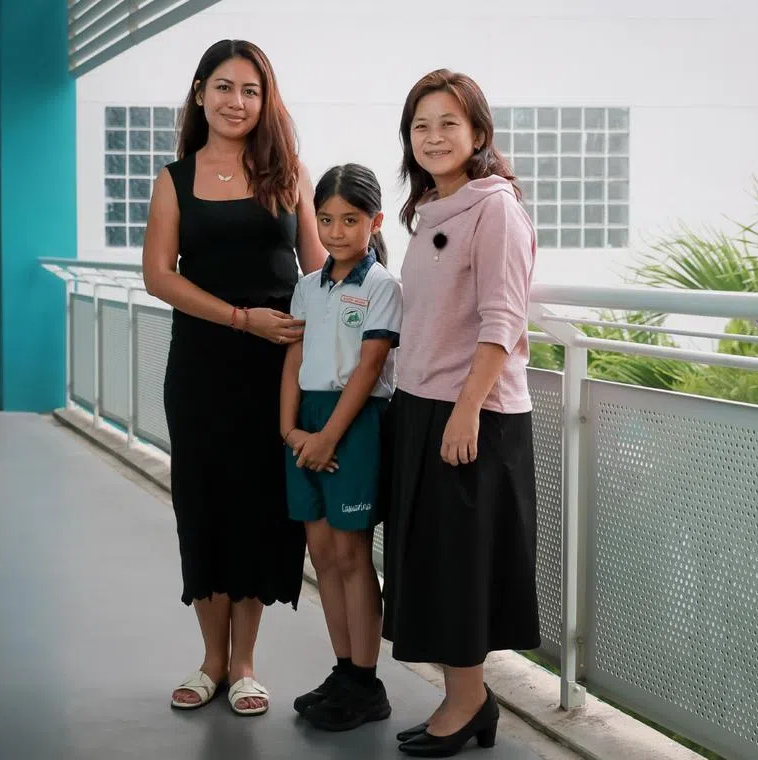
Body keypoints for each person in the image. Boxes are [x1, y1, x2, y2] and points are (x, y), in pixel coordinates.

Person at [141, 39, 327, 717]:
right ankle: (209, 661)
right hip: (202, 366)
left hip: (279, 369)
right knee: (205, 505)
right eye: (224, 87)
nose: (237, 102)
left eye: (251, 90)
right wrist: (242, 319)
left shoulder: (289, 174)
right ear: (199, 94)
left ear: (264, 100)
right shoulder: (175, 178)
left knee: (259, 510)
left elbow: (317, 267)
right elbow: (159, 276)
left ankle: (244, 662)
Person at [381, 69, 541, 757]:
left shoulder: (495, 208)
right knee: (433, 565)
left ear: (478, 132)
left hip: (471, 412)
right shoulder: (429, 212)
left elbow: (503, 317)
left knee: (462, 570)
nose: (435, 136)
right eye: (422, 125)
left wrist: (467, 409)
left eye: (449, 122)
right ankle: (462, 697)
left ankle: (471, 701)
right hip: (420, 407)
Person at [279, 164, 402, 732]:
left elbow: (371, 365)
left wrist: (329, 437)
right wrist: (291, 431)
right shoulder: (307, 285)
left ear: (374, 222)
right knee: (322, 554)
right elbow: (293, 361)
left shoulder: (381, 288)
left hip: (353, 423)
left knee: (353, 556)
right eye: (325, 219)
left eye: (349, 220)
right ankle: (343, 669)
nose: (335, 231)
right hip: (306, 423)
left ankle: (366, 681)